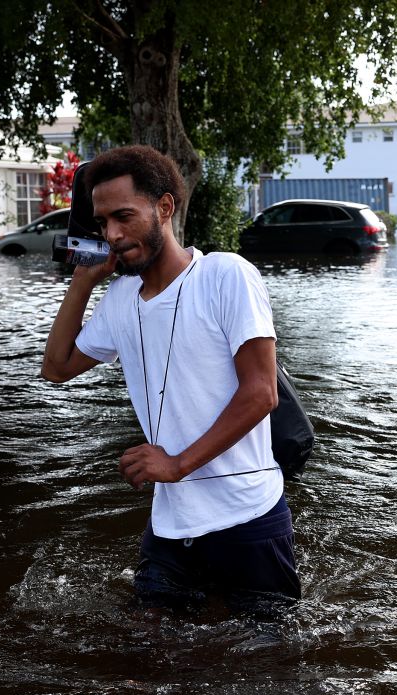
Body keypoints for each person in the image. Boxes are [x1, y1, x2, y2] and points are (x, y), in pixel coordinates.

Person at [40, 145, 299, 616]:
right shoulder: (120, 298)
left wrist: (177, 464)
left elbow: (261, 393)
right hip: (171, 522)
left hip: (248, 516)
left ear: (164, 207)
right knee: (152, 663)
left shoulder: (225, 275)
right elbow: (56, 369)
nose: (113, 235)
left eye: (123, 217)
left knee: (265, 666)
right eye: (102, 224)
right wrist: (82, 282)